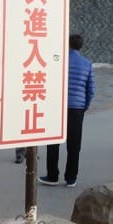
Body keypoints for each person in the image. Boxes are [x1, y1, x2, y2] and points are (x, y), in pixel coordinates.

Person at [40, 34, 96, 187]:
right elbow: (91, 90)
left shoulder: (58, 61)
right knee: (74, 144)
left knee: (53, 142)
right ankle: (71, 178)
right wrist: (84, 106)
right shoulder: (87, 64)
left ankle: (52, 176)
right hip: (77, 109)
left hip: (57, 107)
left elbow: (49, 82)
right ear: (81, 46)